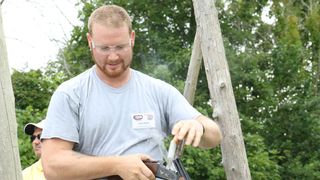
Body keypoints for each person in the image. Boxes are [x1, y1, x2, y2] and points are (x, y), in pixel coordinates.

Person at [41, 4, 222, 180]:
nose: (113, 57)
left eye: (120, 47)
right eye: (104, 48)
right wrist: (116, 165)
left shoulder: (158, 90)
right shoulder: (70, 94)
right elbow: (53, 166)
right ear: (90, 41)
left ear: (132, 38)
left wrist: (199, 126)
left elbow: (214, 136)